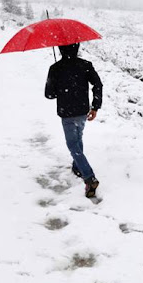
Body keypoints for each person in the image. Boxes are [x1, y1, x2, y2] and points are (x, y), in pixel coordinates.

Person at [45, 43, 103, 198]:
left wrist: (59, 86)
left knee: (72, 145)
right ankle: (77, 166)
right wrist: (95, 107)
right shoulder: (85, 65)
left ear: (60, 49)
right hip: (83, 111)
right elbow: (98, 84)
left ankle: (89, 178)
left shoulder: (55, 68)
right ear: (77, 48)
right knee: (77, 139)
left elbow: (49, 95)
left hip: (67, 113)